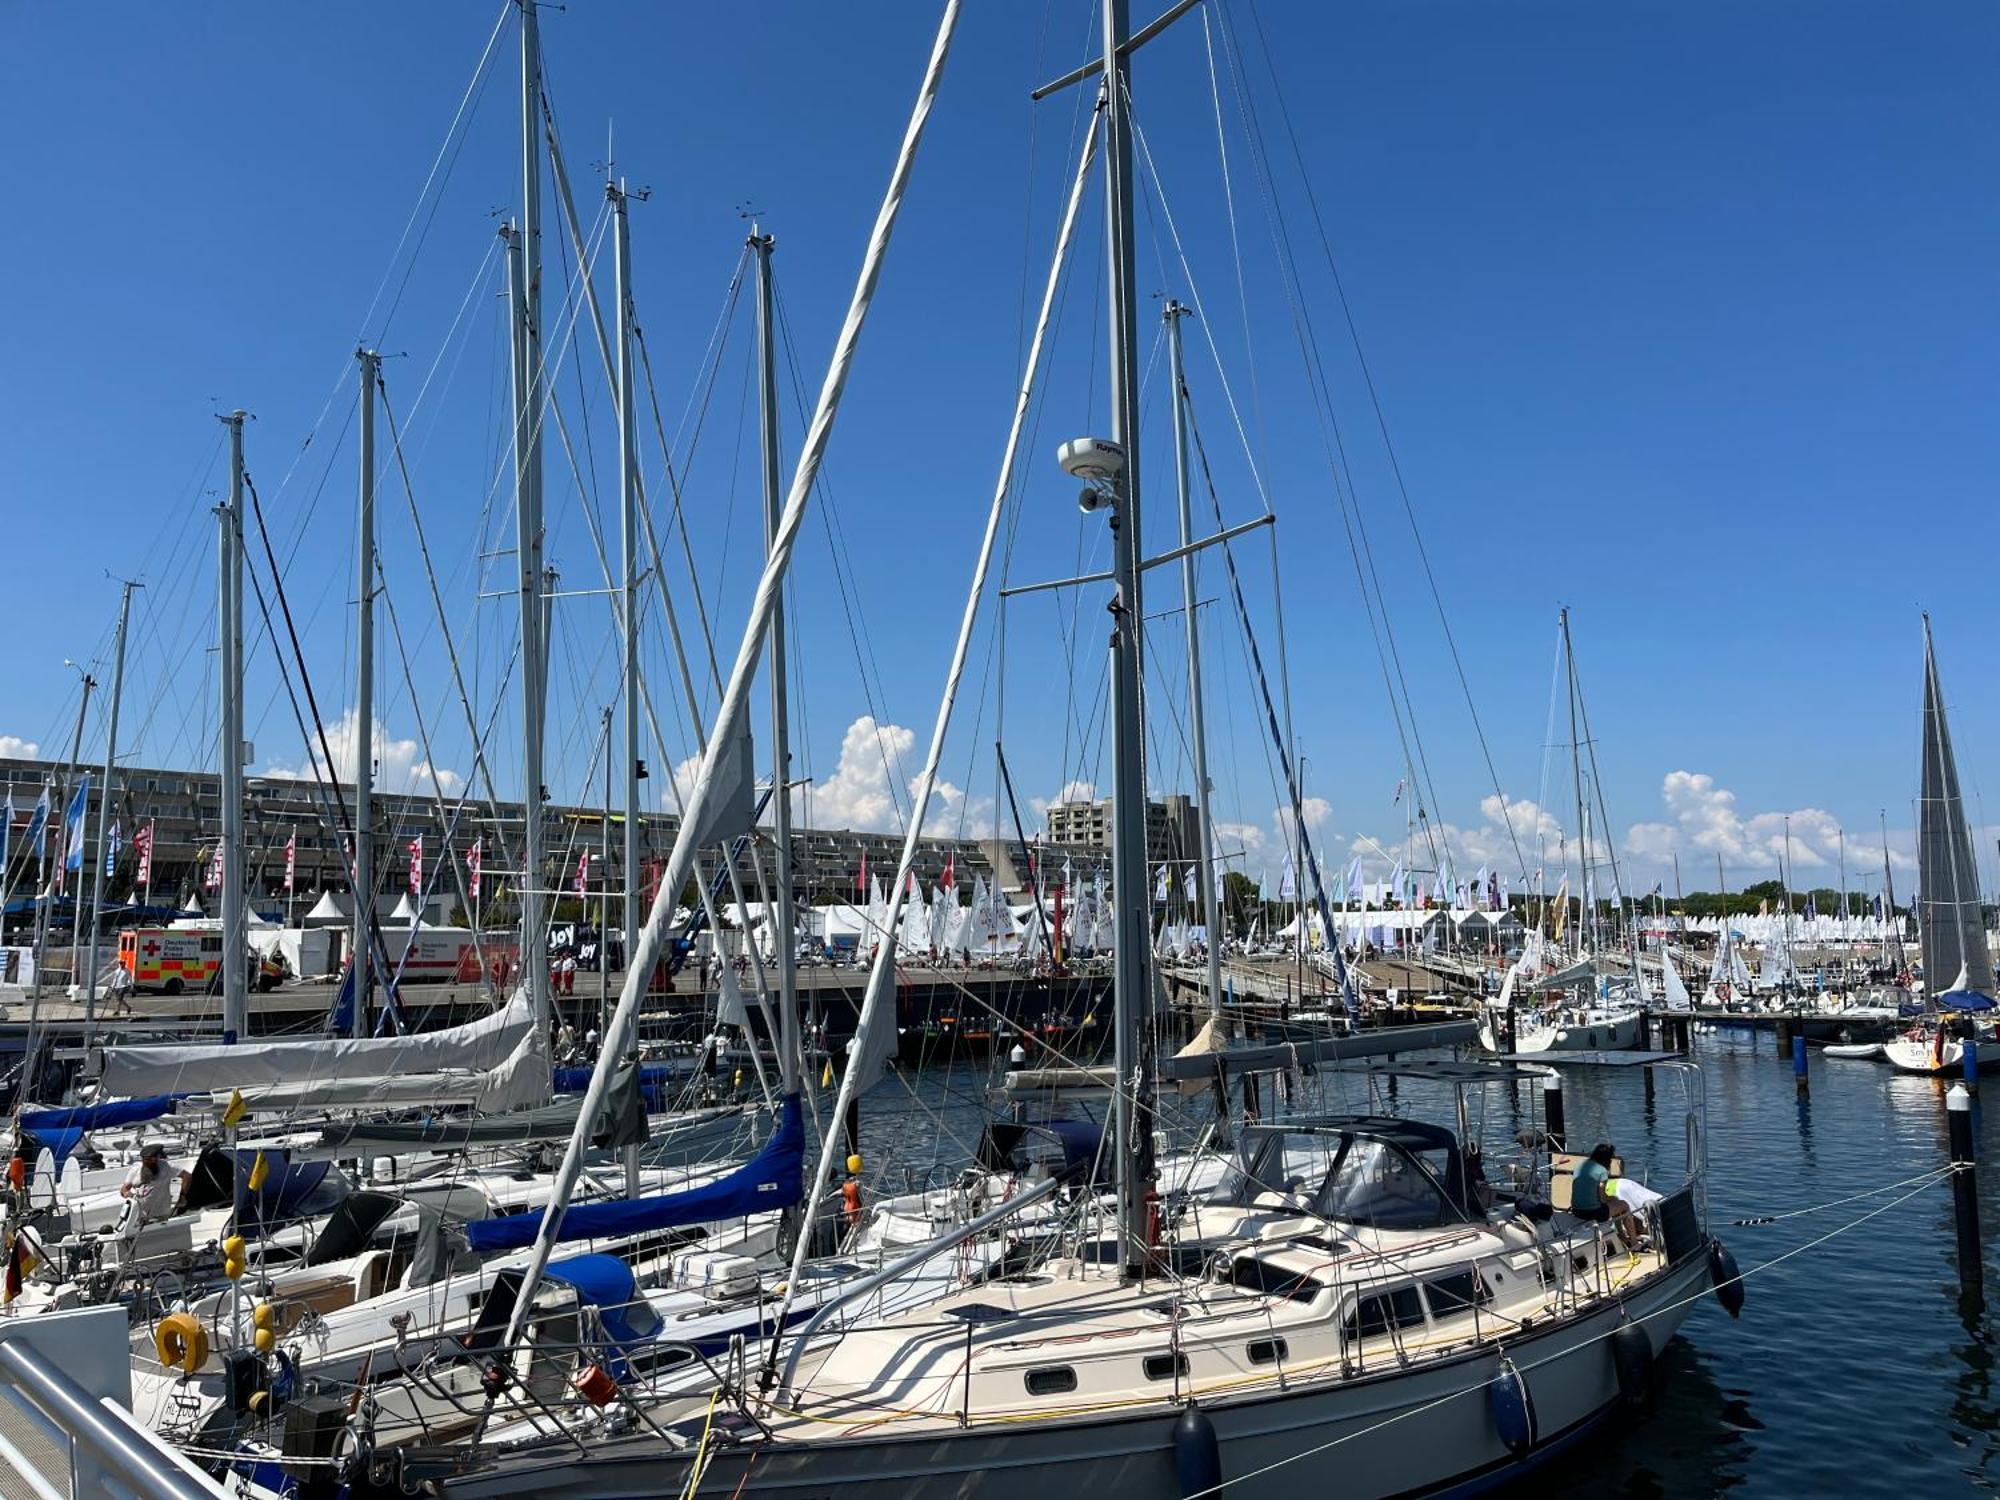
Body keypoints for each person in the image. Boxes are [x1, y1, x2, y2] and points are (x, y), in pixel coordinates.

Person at [120, 1144, 181, 1225]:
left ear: (157, 1159)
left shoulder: (166, 1167)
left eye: (151, 1160)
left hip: (160, 1213)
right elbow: (124, 1189)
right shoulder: (136, 1169)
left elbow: (187, 1176)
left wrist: (182, 1197)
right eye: (145, 1160)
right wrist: (127, 1194)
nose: (147, 1163)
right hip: (140, 1214)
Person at [1570, 1142, 1615, 1224]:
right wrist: (1613, 1198)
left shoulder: (1580, 1164)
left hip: (1575, 1210)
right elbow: (1603, 1199)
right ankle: (1629, 1236)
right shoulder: (1602, 1171)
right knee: (1624, 1205)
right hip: (1592, 1213)